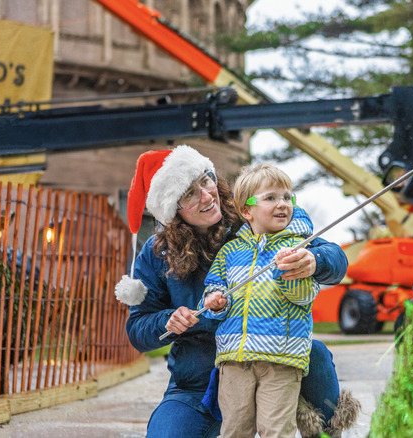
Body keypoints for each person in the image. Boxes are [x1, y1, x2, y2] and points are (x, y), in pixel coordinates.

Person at [114, 145, 360, 438]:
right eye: (189, 194)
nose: (207, 195)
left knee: (313, 353)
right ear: (172, 211)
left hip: (272, 359)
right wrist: (168, 320)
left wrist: (315, 261)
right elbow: (137, 330)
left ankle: (326, 432)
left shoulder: (255, 216)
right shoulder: (157, 253)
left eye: (206, 180)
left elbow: (335, 258)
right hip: (199, 381)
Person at [201, 164, 319, 438]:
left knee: (276, 430)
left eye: (288, 197)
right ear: (246, 210)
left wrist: (286, 272)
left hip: (281, 358)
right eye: (271, 198)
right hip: (234, 360)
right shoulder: (230, 251)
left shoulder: (299, 248)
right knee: (234, 430)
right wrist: (214, 302)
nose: (283, 204)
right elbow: (212, 290)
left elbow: (305, 297)